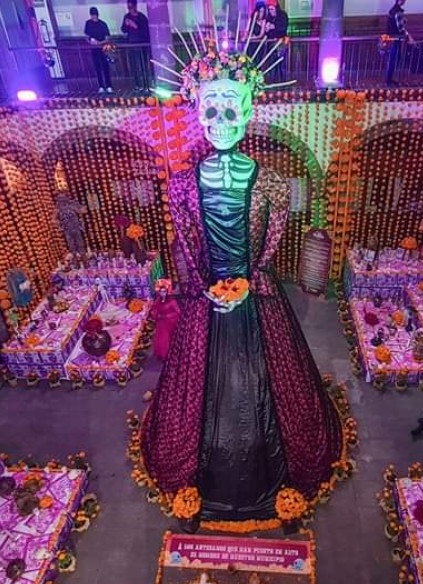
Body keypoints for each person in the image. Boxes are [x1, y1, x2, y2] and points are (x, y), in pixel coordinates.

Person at [139, 55, 343, 523]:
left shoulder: (271, 181)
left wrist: (251, 280)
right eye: (210, 109)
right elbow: (188, 244)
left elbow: (271, 240)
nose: (220, 121)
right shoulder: (181, 186)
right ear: (196, 112)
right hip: (206, 297)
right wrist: (206, 286)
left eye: (231, 108)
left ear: (250, 111)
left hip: (258, 293)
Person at [121, 0, 150, 92]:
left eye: (131, 7)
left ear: (135, 6)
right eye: (128, 7)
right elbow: (123, 30)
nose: (130, 9)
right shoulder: (126, 16)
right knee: (135, 66)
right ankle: (138, 85)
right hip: (132, 45)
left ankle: (146, 85)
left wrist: (135, 26)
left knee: (143, 65)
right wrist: (126, 25)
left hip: (142, 45)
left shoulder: (142, 17)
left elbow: (146, 32)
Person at [150, 279, 180, 362]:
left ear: (167, 292)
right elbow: (154, 309)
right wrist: (156, 315)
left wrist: (167, 316)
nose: (162, 293)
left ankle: (169, 354)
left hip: (169, 323)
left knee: (167, 339)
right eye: (160, 292)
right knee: (160, 339)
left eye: (164, 291)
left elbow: (177, 312)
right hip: (161, 323)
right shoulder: (158, 300)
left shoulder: (172, 301)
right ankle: (162, 354)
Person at [386, 0, 415, 86]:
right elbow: (400, 28)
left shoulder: (392, 10)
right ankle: (389, 80)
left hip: (393, 38)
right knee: (393, 59)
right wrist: (408, 36)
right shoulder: (397, 12)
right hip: (395, 39)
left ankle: (390, 79)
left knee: (393, 59)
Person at [85, 7, 113, 93]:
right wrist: (91, 41)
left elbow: (107, 38)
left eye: (95, 15)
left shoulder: (102, 24)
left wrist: (100, 42)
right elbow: (86, 37)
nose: (94, 17)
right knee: (97, 67)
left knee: (105, 67)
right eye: (92, 15)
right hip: (94, 49)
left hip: (103, 48)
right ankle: (101, 86)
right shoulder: (88, 23)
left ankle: (109, 86)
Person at [265, 0, 289, 82]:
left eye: (272, 9)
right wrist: (266, 28)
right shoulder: (269, 17)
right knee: (272, 66)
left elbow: (283, 28)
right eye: (269, 9)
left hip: (282, 44)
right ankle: (272, 84)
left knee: (282, 66)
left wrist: (274, 27)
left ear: (276, 8)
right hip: (271, 45)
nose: (270, 11)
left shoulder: (283, 15)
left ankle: (284, 84)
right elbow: (267, 33)